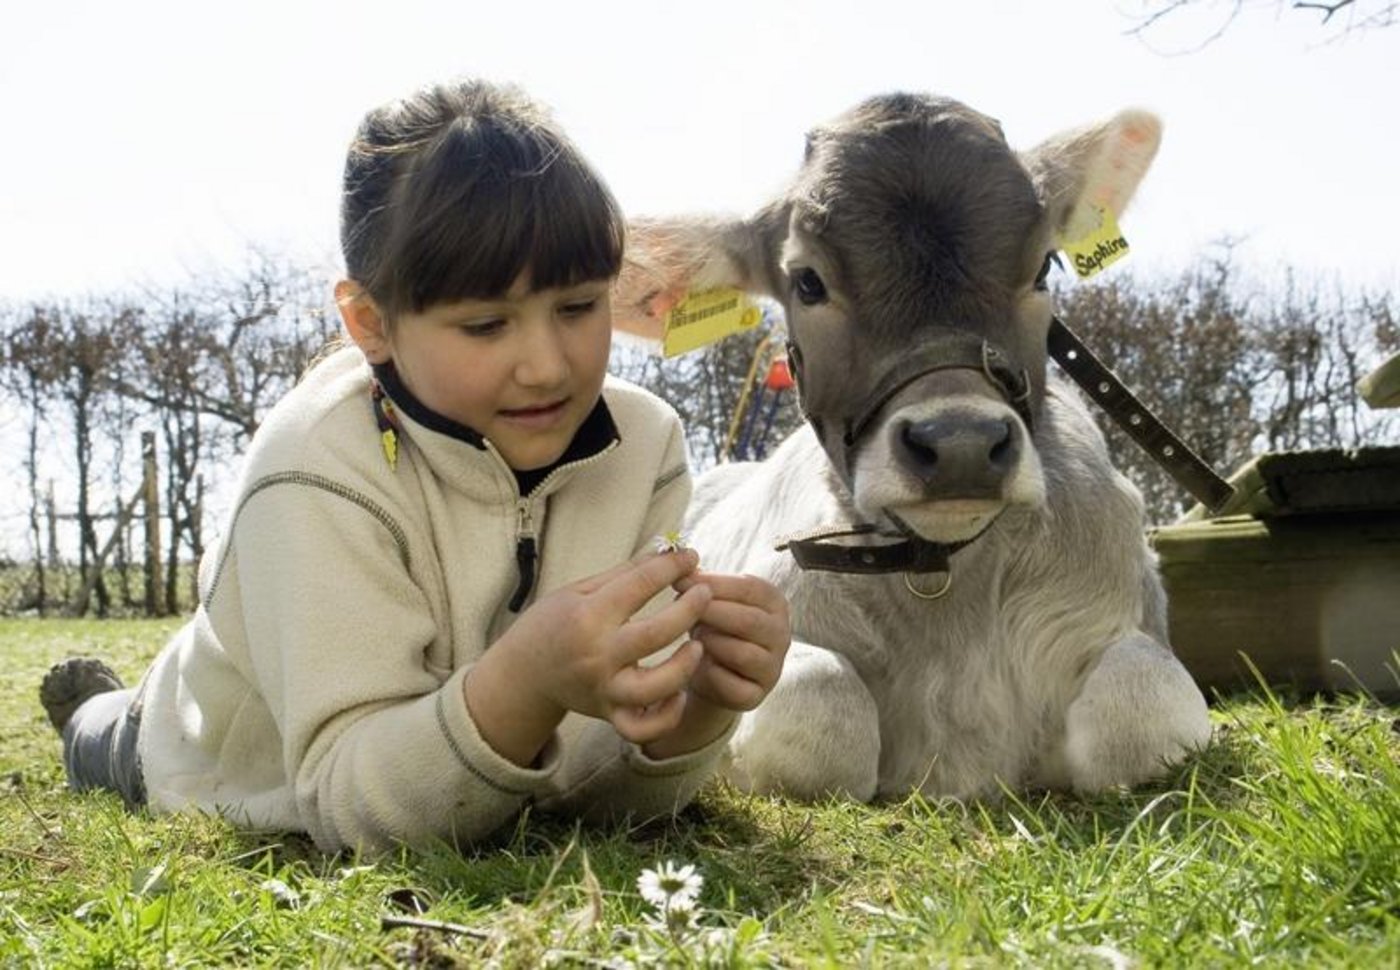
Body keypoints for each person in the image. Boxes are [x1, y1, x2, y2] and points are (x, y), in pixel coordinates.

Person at [38, 78, 791, 854]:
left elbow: (590, 795)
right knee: (117, 744)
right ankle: (96, 715)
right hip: (219, 747)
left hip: (459, 766)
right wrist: (526, 681)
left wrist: (695, 707)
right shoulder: (312, 465)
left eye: (577, 307)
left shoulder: (646, 446)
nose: (545, 366)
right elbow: (342, 805)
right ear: (371, 324)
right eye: (486, 323)